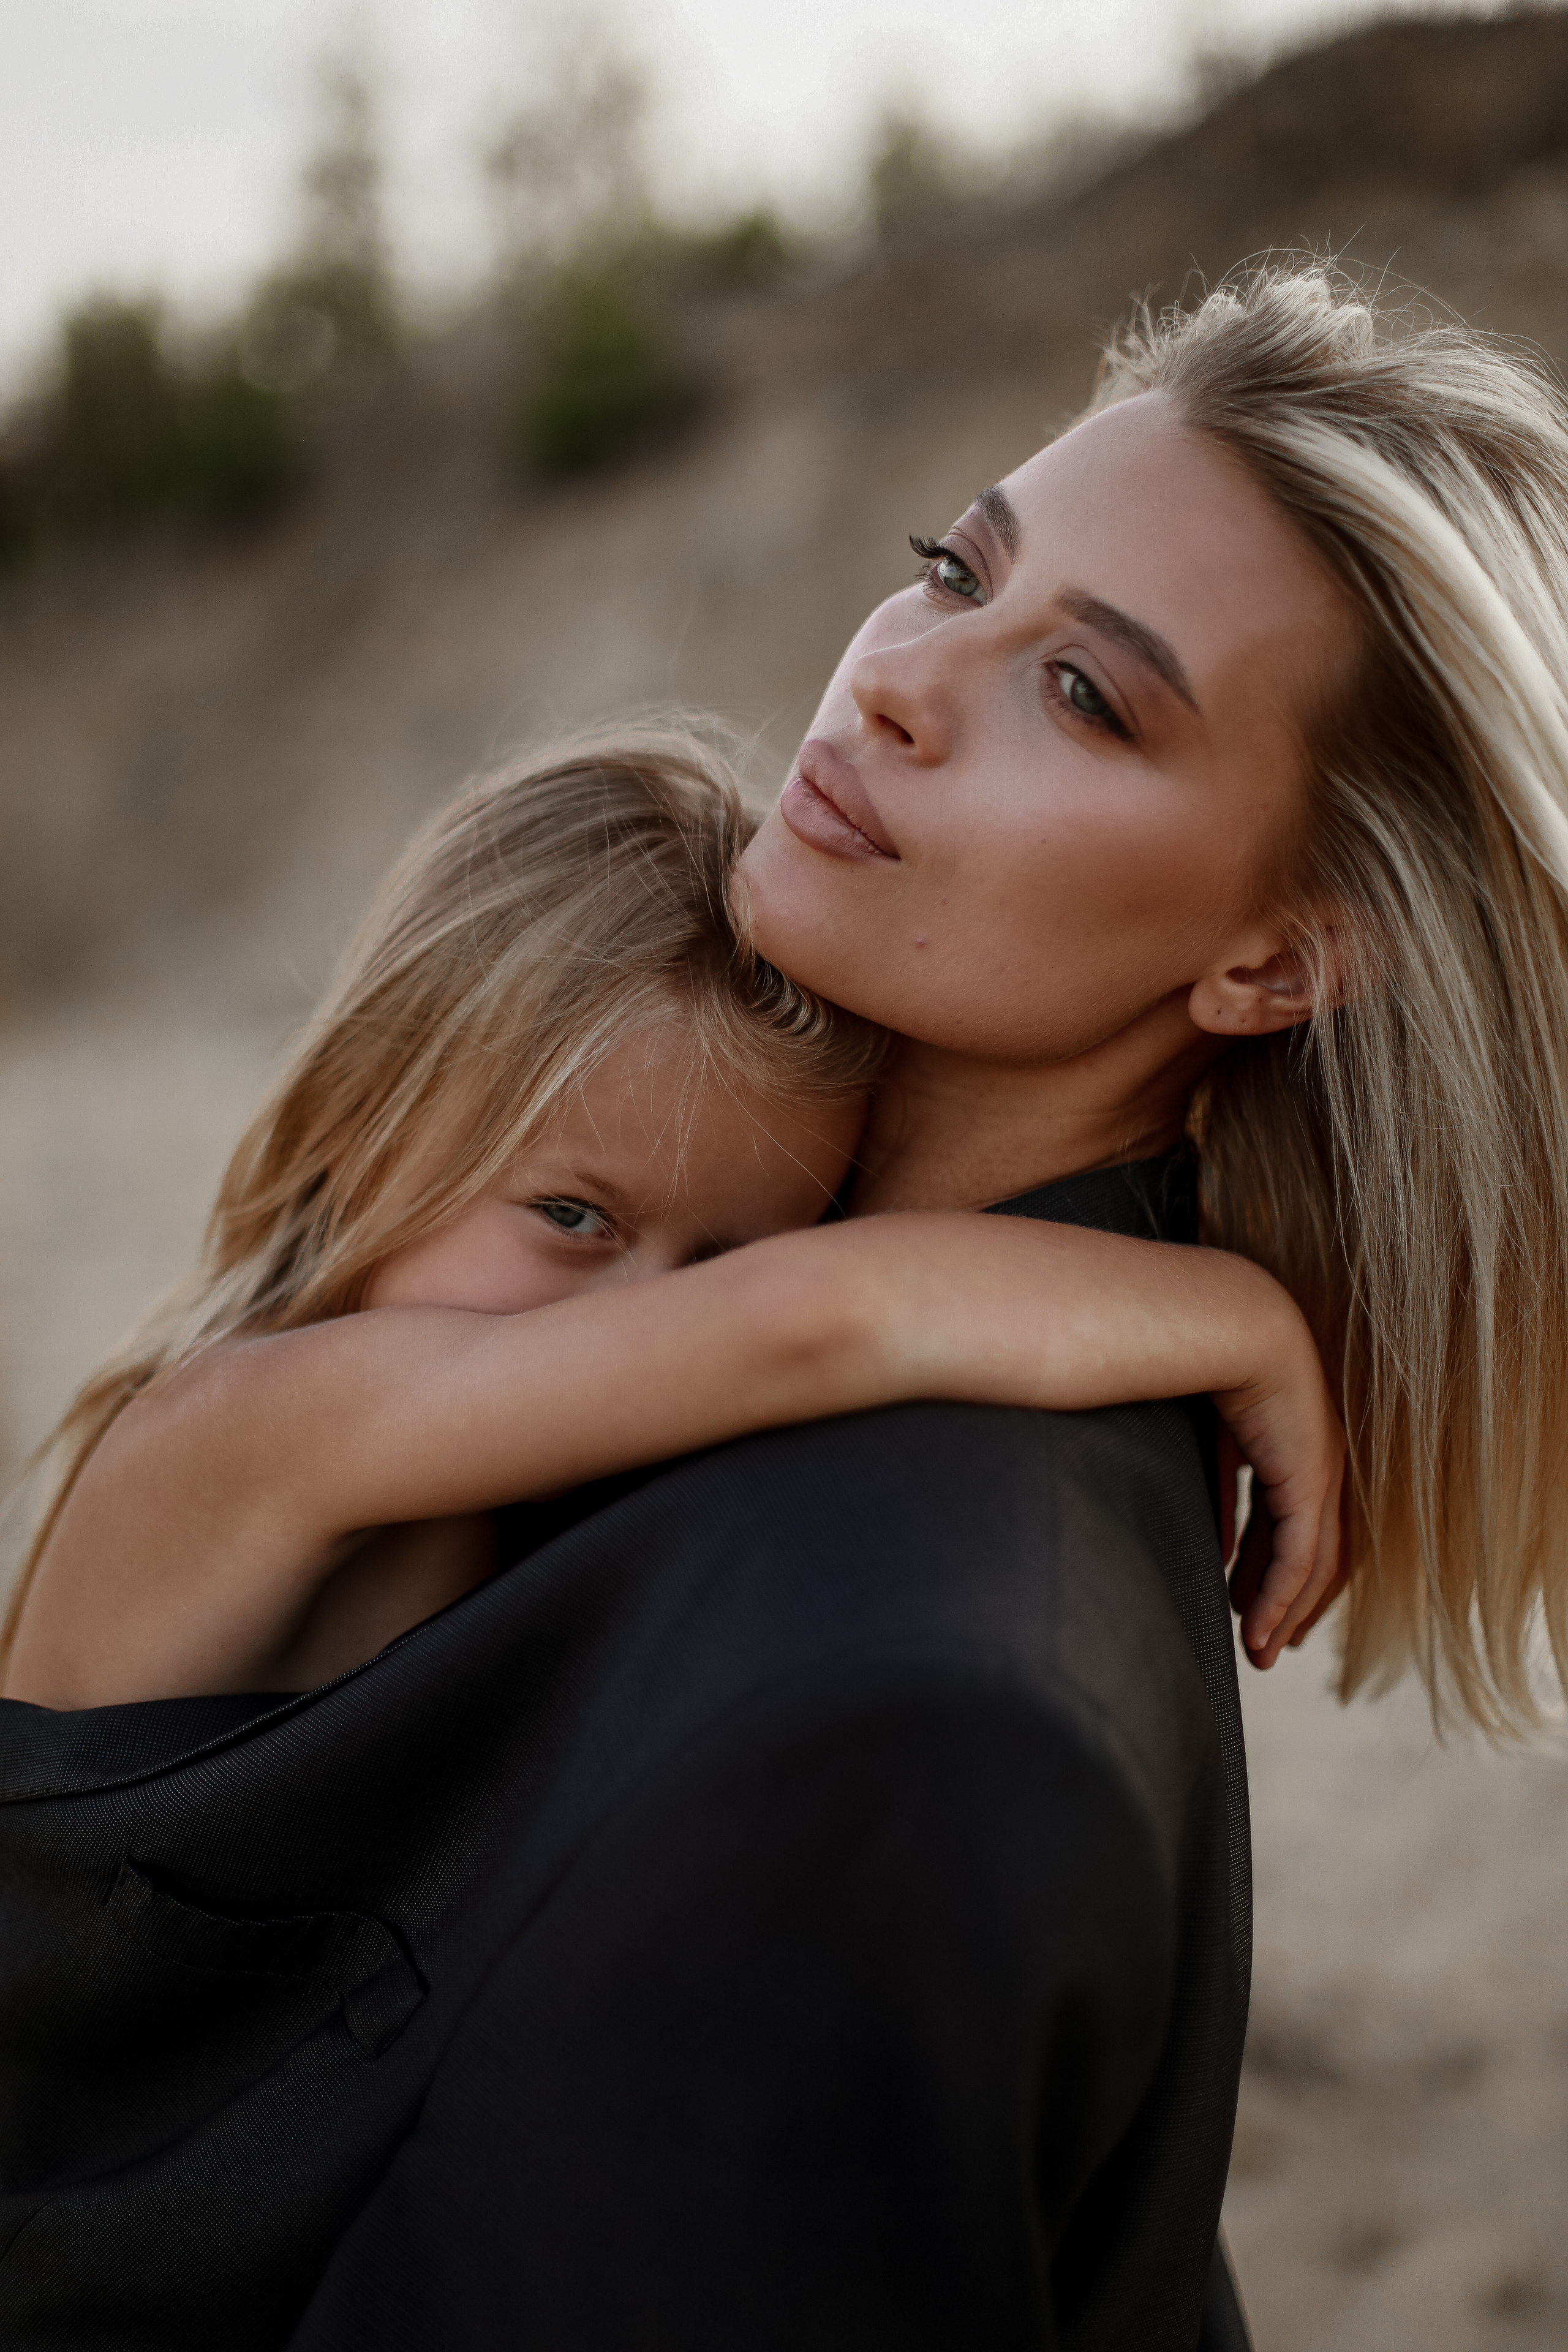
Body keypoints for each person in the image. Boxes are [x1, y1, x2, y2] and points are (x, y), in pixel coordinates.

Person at [5, 259, 1568, 2351]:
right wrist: (1228, 1319)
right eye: (953, 570)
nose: (905, 677)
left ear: (1277, 963)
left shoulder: (914, 1704)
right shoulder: (394, 1409)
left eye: (1087, 694)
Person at [1, 744, 1338, 1712]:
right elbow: (808, 1323)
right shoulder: (259, 1422)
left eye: (720, 1258)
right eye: (574, 1217)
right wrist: (1239, 1316)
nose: (643, 1311)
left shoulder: (508, 1466)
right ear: (362, 1127)